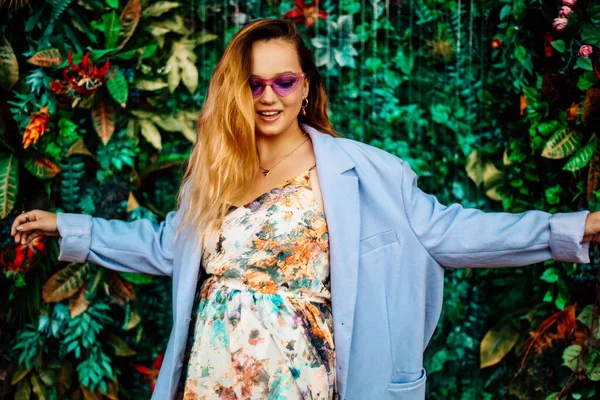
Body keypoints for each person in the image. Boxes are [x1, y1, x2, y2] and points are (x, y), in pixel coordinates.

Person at [10, 18, 600, 400]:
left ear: (307, 87)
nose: (269, 97)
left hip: (301, 377)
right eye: (255, 83)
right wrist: (71, 227)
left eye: (284, 82)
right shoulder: (215, 170)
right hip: (210, 376)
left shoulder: (363, 172)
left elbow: (453, 233)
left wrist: (574, 228)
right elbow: (166, 248)